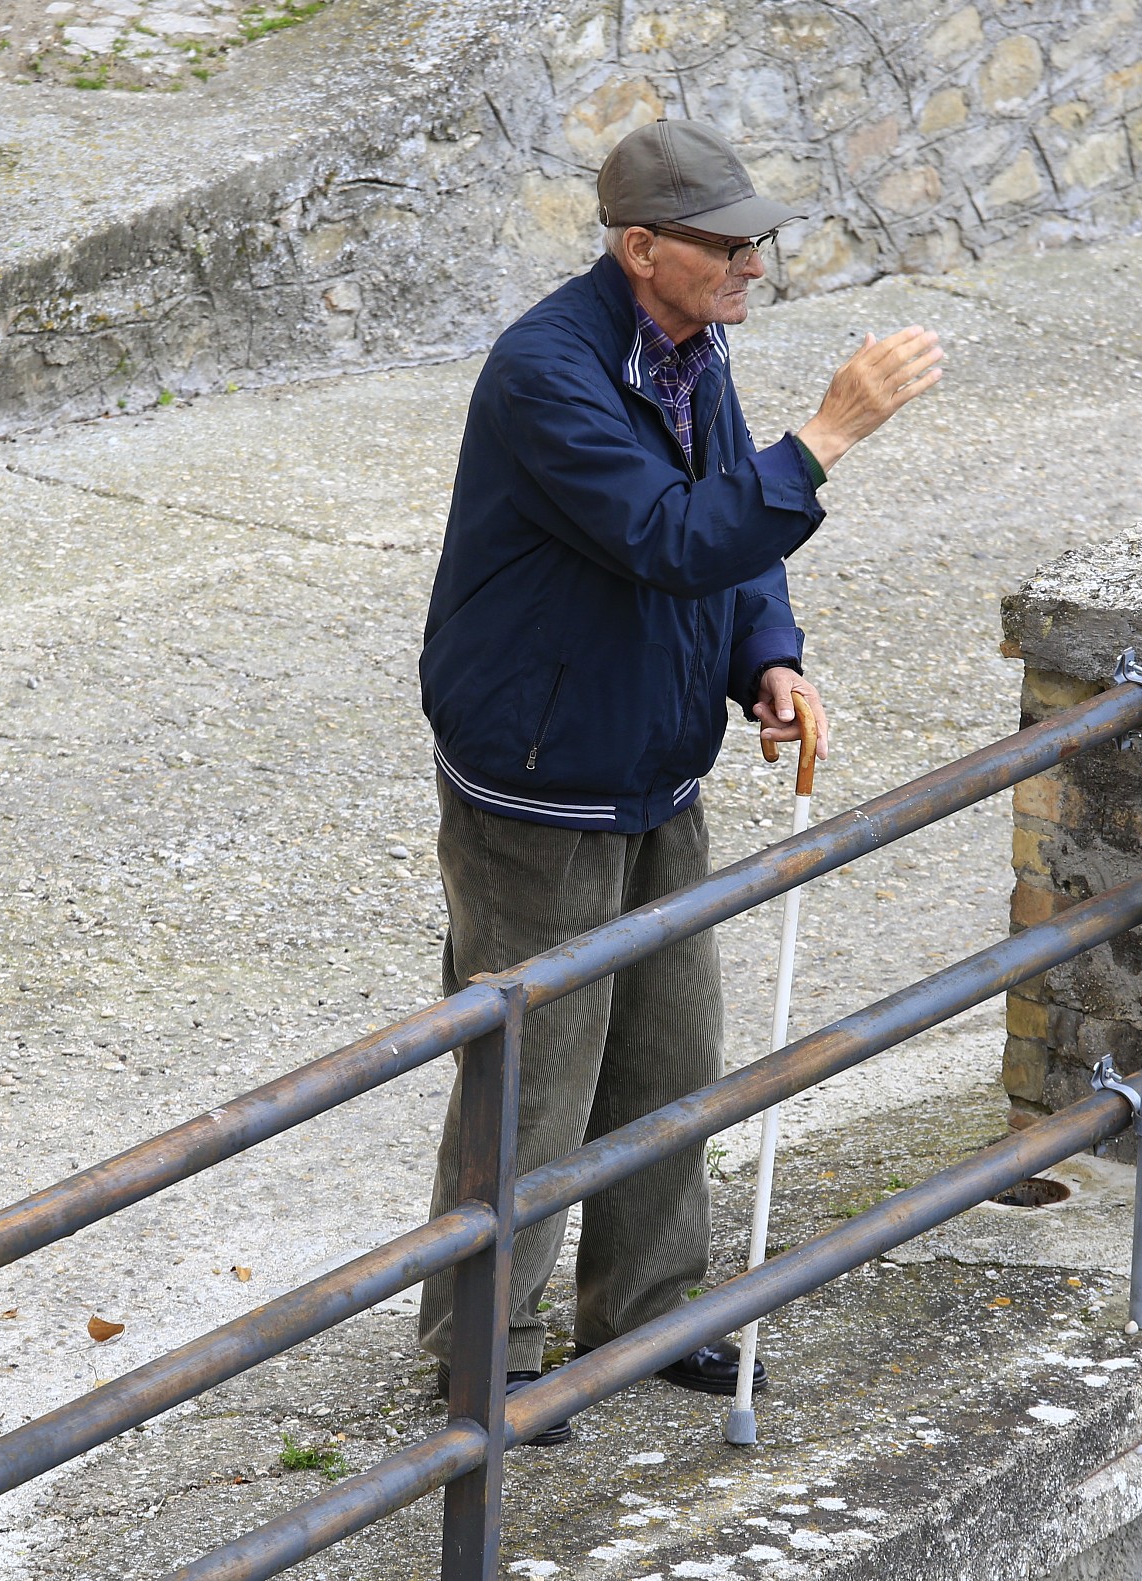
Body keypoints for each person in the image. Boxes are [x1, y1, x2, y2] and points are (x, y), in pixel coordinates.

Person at [415, 119, 943, 1445]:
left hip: (653, 759)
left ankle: (645, 1313)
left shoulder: (692, 350)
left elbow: (728, 534)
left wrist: (770, 658)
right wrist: (829, 434)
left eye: (756, 238)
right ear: (641, 249)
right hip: (543, 778)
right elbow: (665, 535)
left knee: (668, 1050)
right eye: (729, 242)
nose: (754, 263)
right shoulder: (548, 373)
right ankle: (489, 1354)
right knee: (534, 1082)